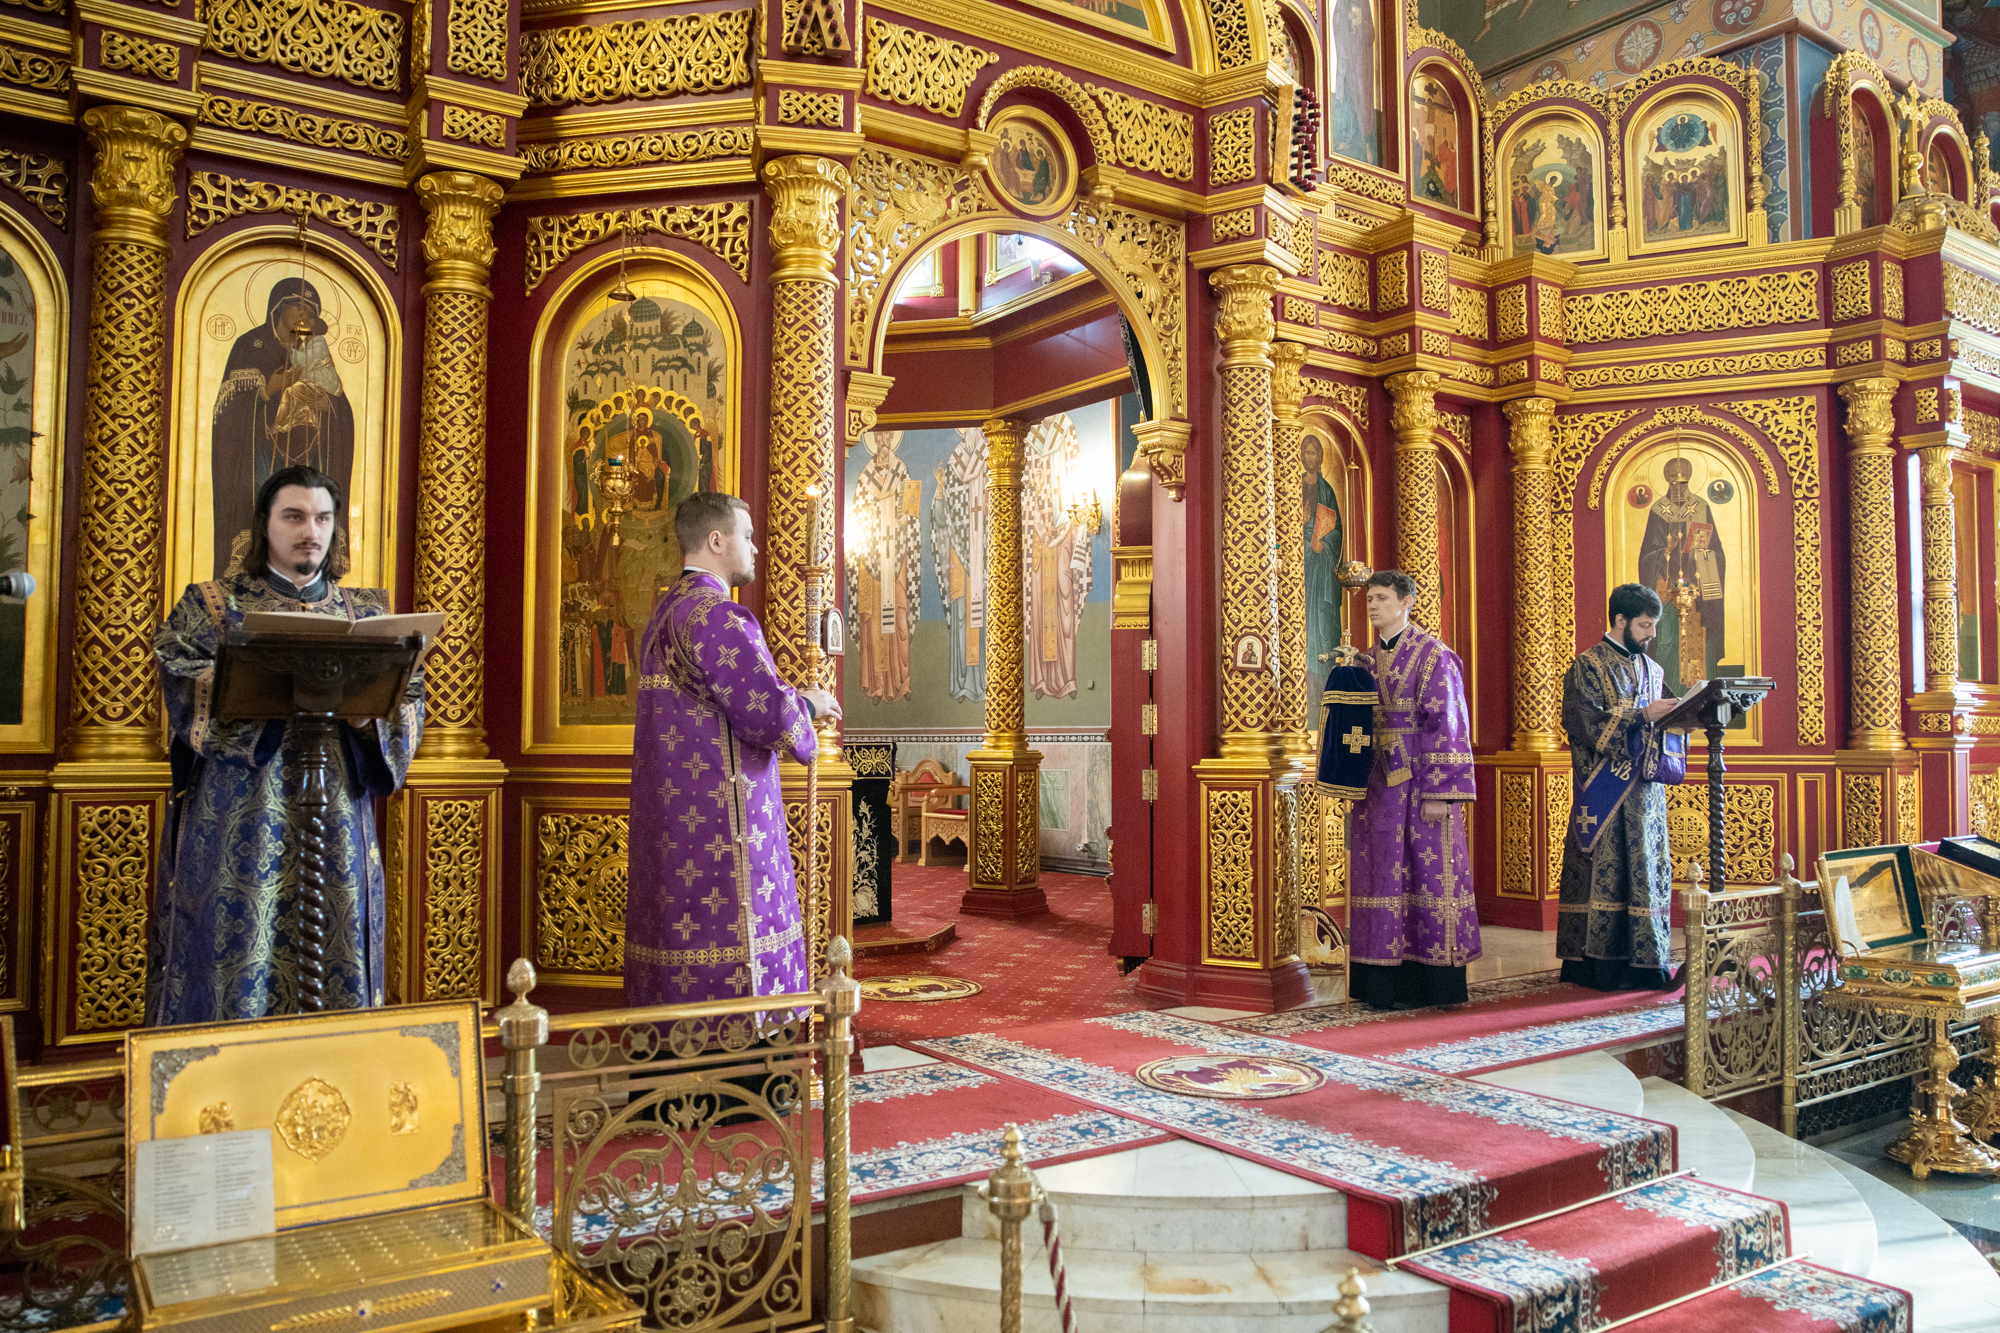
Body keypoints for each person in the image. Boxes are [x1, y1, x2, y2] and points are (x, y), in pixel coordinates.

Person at [148, 466, 424, 1025]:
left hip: (339, 815)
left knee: (338, 940)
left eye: (322, 518)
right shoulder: (211, 605)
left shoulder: (368, 613)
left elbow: (410, 694)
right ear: (264, 524)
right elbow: (179, 670)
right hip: (242, 815)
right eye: (294, 517)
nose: (310, 532)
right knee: (238, 947)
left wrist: (366, 709)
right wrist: (276, 688)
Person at [625, 493, 841, 1008]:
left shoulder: (664, 614)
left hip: (673, 821)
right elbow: (769, 715)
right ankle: (742, 1046)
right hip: (724, 825)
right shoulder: (718, 616)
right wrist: (808, 705)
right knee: (734, 939)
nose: (756, 548)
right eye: (747, 536)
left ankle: (673, 1049)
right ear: (716, 541)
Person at [1339, 569, 1479, 1010]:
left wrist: (1441, 791)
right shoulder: (1364, 661)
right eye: (1369, 599)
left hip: (1421, 785)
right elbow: (1353, 725)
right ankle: (1381, 983)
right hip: (1377, 786)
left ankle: (1429, 983)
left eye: (1382, 597)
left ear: (1406, 602)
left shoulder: (1435, 655)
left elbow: (1448, 724)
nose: (1373, 605)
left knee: (1426, 873)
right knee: (1379, 873)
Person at [1556, 583, 1681, 992]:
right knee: (1605, 874)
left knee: (1645, 871)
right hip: (1604, 792)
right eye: (1645, 625)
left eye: (1654, 626)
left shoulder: (1654, 670)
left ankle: (1646, 962)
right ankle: (1599, 967)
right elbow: (1584, 723)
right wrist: (1642, 715)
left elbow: (1666, 720)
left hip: (1646, 797)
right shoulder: (1587, 665)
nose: (1651, 635)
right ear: (1621, 620)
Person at [209, 279, 355, 577]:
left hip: (308, 457)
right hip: (261, 455)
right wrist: (268, 389)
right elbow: (226, 412)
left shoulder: (314, 350)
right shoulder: (251, 346)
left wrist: (327, 405)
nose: (305, 316)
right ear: (278, 308)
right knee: (264, 512)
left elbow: (340, 407)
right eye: (298, 307)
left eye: (311, 312)